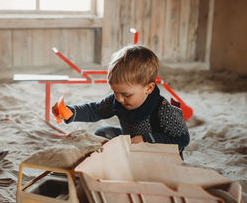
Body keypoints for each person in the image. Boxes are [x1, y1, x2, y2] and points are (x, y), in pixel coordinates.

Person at [52, 45, 190, 157]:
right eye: (115, 92)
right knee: (102, 133)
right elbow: (95, 110)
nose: (118, 98)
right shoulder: (118, 99)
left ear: (148, 88)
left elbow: (182, 140)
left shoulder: (163, 110)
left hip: (157, 154)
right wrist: (70, 112)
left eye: (126, 94)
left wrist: (146, 139)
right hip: (130, 141)